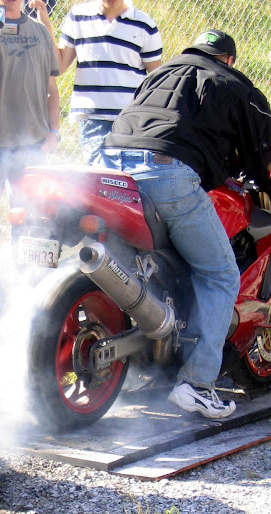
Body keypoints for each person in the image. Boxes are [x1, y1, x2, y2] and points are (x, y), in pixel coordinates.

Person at [102, 29, 271, 419]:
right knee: (220, 274)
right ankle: (196, 384)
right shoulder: (232, 84)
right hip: (167, 174)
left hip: (113, 167)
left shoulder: (160, 75)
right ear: (229, 59)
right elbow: (264, 152)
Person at [0, 0, 60, 328]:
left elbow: (51, 89)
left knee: (32, 222)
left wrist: (54, 131)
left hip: (31, 144)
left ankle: (28, 299)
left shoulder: (40, 33)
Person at [35, 0, 162, 164]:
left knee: (127, 183)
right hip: (92, 123)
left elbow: (156, 81)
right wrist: (45, 22)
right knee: (99, 182)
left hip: (130, 123)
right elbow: (59, 66)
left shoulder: (145, 25)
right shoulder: (79, 17)